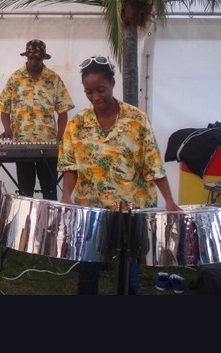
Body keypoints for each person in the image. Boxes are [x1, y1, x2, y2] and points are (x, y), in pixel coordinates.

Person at [57, 55, 181, 295]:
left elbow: (153, 164)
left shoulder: (137, 120)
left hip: (130, 209)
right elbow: (69, 166)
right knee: (88, 275)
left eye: (101, 90)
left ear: (113, 83)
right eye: (89, 92)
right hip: (91, 209)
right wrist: (66, 197)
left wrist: (169, 200)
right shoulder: (77, 124)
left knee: (127, 278)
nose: (95, 97)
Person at [0, 39, 75, 200]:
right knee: (25, 192)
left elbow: (63, 111)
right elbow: (4, 109)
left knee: (50, 191)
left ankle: (49, 225)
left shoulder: (54, 79)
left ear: (43, 58)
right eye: (30, 58)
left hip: (48, 144)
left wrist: (60, 137)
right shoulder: (15, 78)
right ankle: (27, 224)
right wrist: (8, 130)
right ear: (26, 57)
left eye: (37, 59)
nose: (33, 62)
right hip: (22, 144)